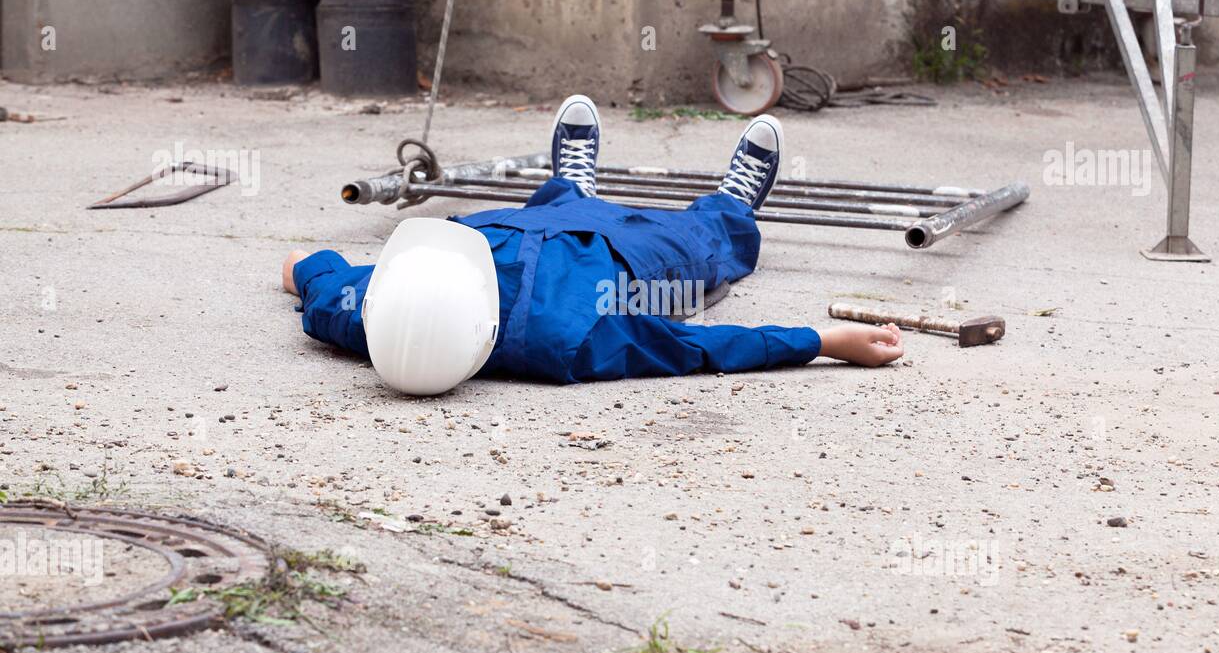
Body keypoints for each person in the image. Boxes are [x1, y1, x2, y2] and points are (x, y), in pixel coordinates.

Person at [282, 95, 903, 394]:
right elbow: (696, 345)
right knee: (699, 249)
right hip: (632, 262)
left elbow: (315, 273)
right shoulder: (566, 342)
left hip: (507, 229)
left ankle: (570, 186)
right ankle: (733, 205)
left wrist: (297, 272)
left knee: (547, 209)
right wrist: (823, 342)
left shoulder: (366, 315)